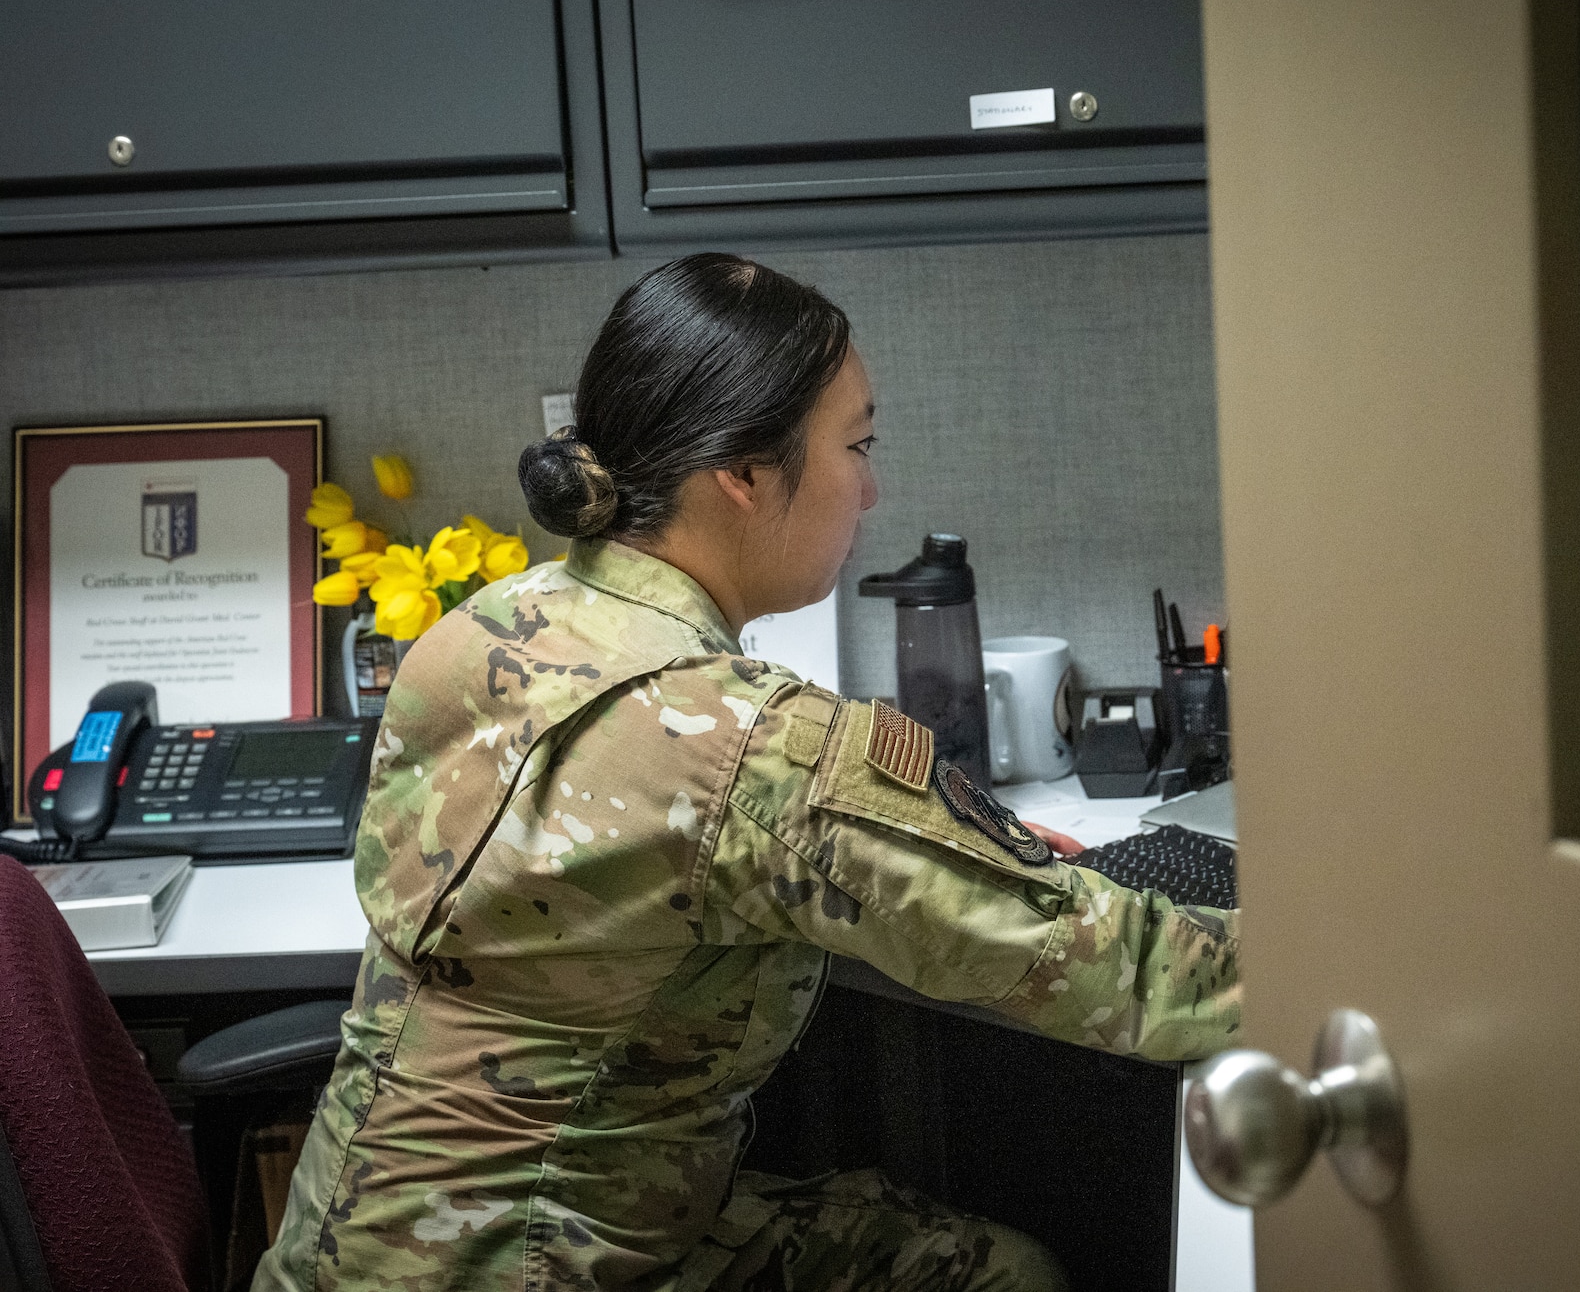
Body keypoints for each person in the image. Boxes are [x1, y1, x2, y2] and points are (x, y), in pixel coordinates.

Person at [254, 253, 1241, 1292]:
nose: (871, 486)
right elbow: (1113, 968)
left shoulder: (481, 631)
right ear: (743, 473)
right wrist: (1365, 963)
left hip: (343, 1249)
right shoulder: (745, 744)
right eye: (855, 445)